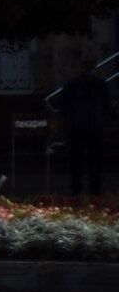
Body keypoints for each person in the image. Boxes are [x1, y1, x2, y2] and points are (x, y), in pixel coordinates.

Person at [49, 66, 111, 196]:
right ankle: (87, 190)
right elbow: (106, 105)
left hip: (84, 127)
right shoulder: (98, 85)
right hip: (85, 127)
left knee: (84, 162)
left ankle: (84, 190)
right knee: (85, 161)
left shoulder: (77, 84)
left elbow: (63, 104)